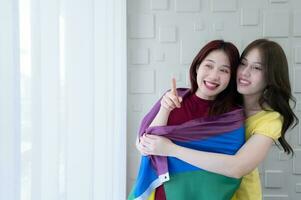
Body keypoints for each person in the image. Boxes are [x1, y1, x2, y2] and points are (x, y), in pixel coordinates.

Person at [138, 39, 299, 200]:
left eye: (256, 68)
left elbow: (238, 167)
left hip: (238, 194)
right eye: (243, 64)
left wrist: (171, 149)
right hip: (184, 190)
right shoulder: (220, 102)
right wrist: (163, 111)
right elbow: (147, 144)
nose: (244, 72)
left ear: (271, 77)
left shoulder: (268, 119)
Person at [130, 40, 243, 200]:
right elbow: (146, 147)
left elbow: (229, 167)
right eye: (208, 66)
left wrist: (170, 149)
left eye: (224, 70)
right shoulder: (172, 98)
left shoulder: (233, 117)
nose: (214, 76)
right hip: (163, 195)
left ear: (231, 78)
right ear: (197, 67)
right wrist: (165, 108)